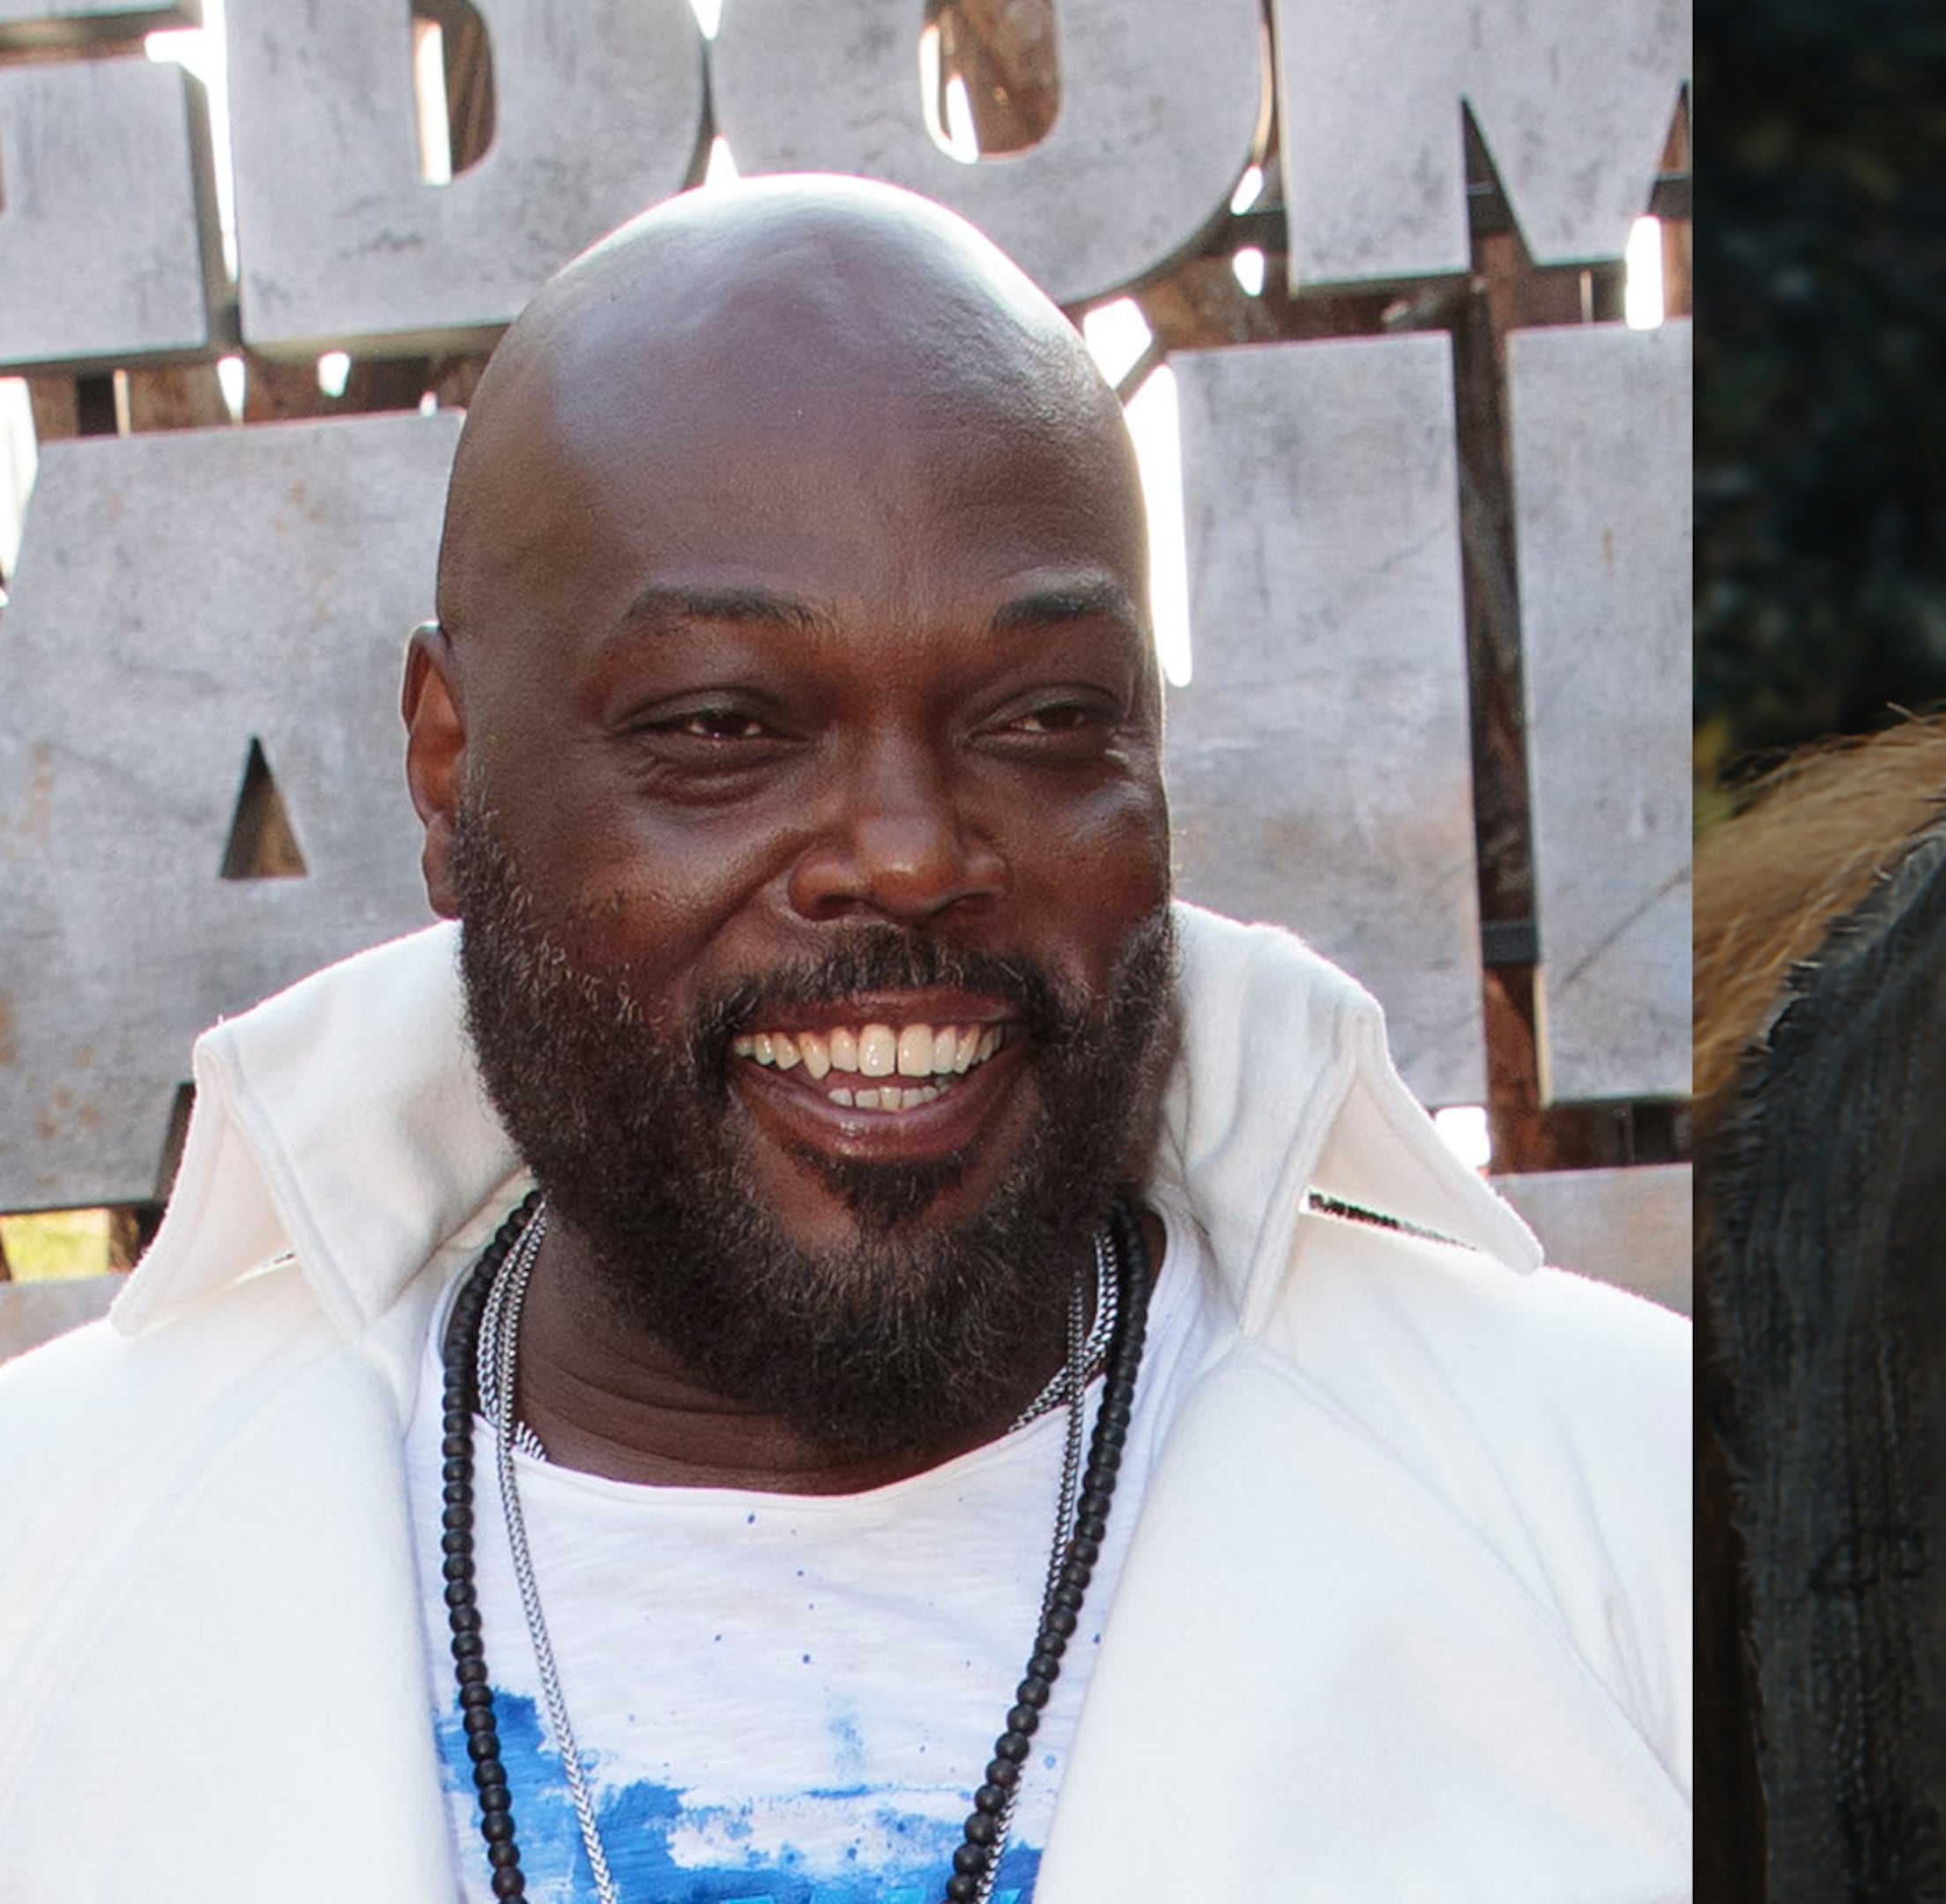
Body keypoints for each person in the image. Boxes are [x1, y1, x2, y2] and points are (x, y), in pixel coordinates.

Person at [0, 176, 1689, 1901]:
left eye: (1044, 719)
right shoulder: (43, 1564)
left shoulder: (1649, 1509)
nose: (908, 853)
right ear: (451, 770)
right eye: (722, 727)